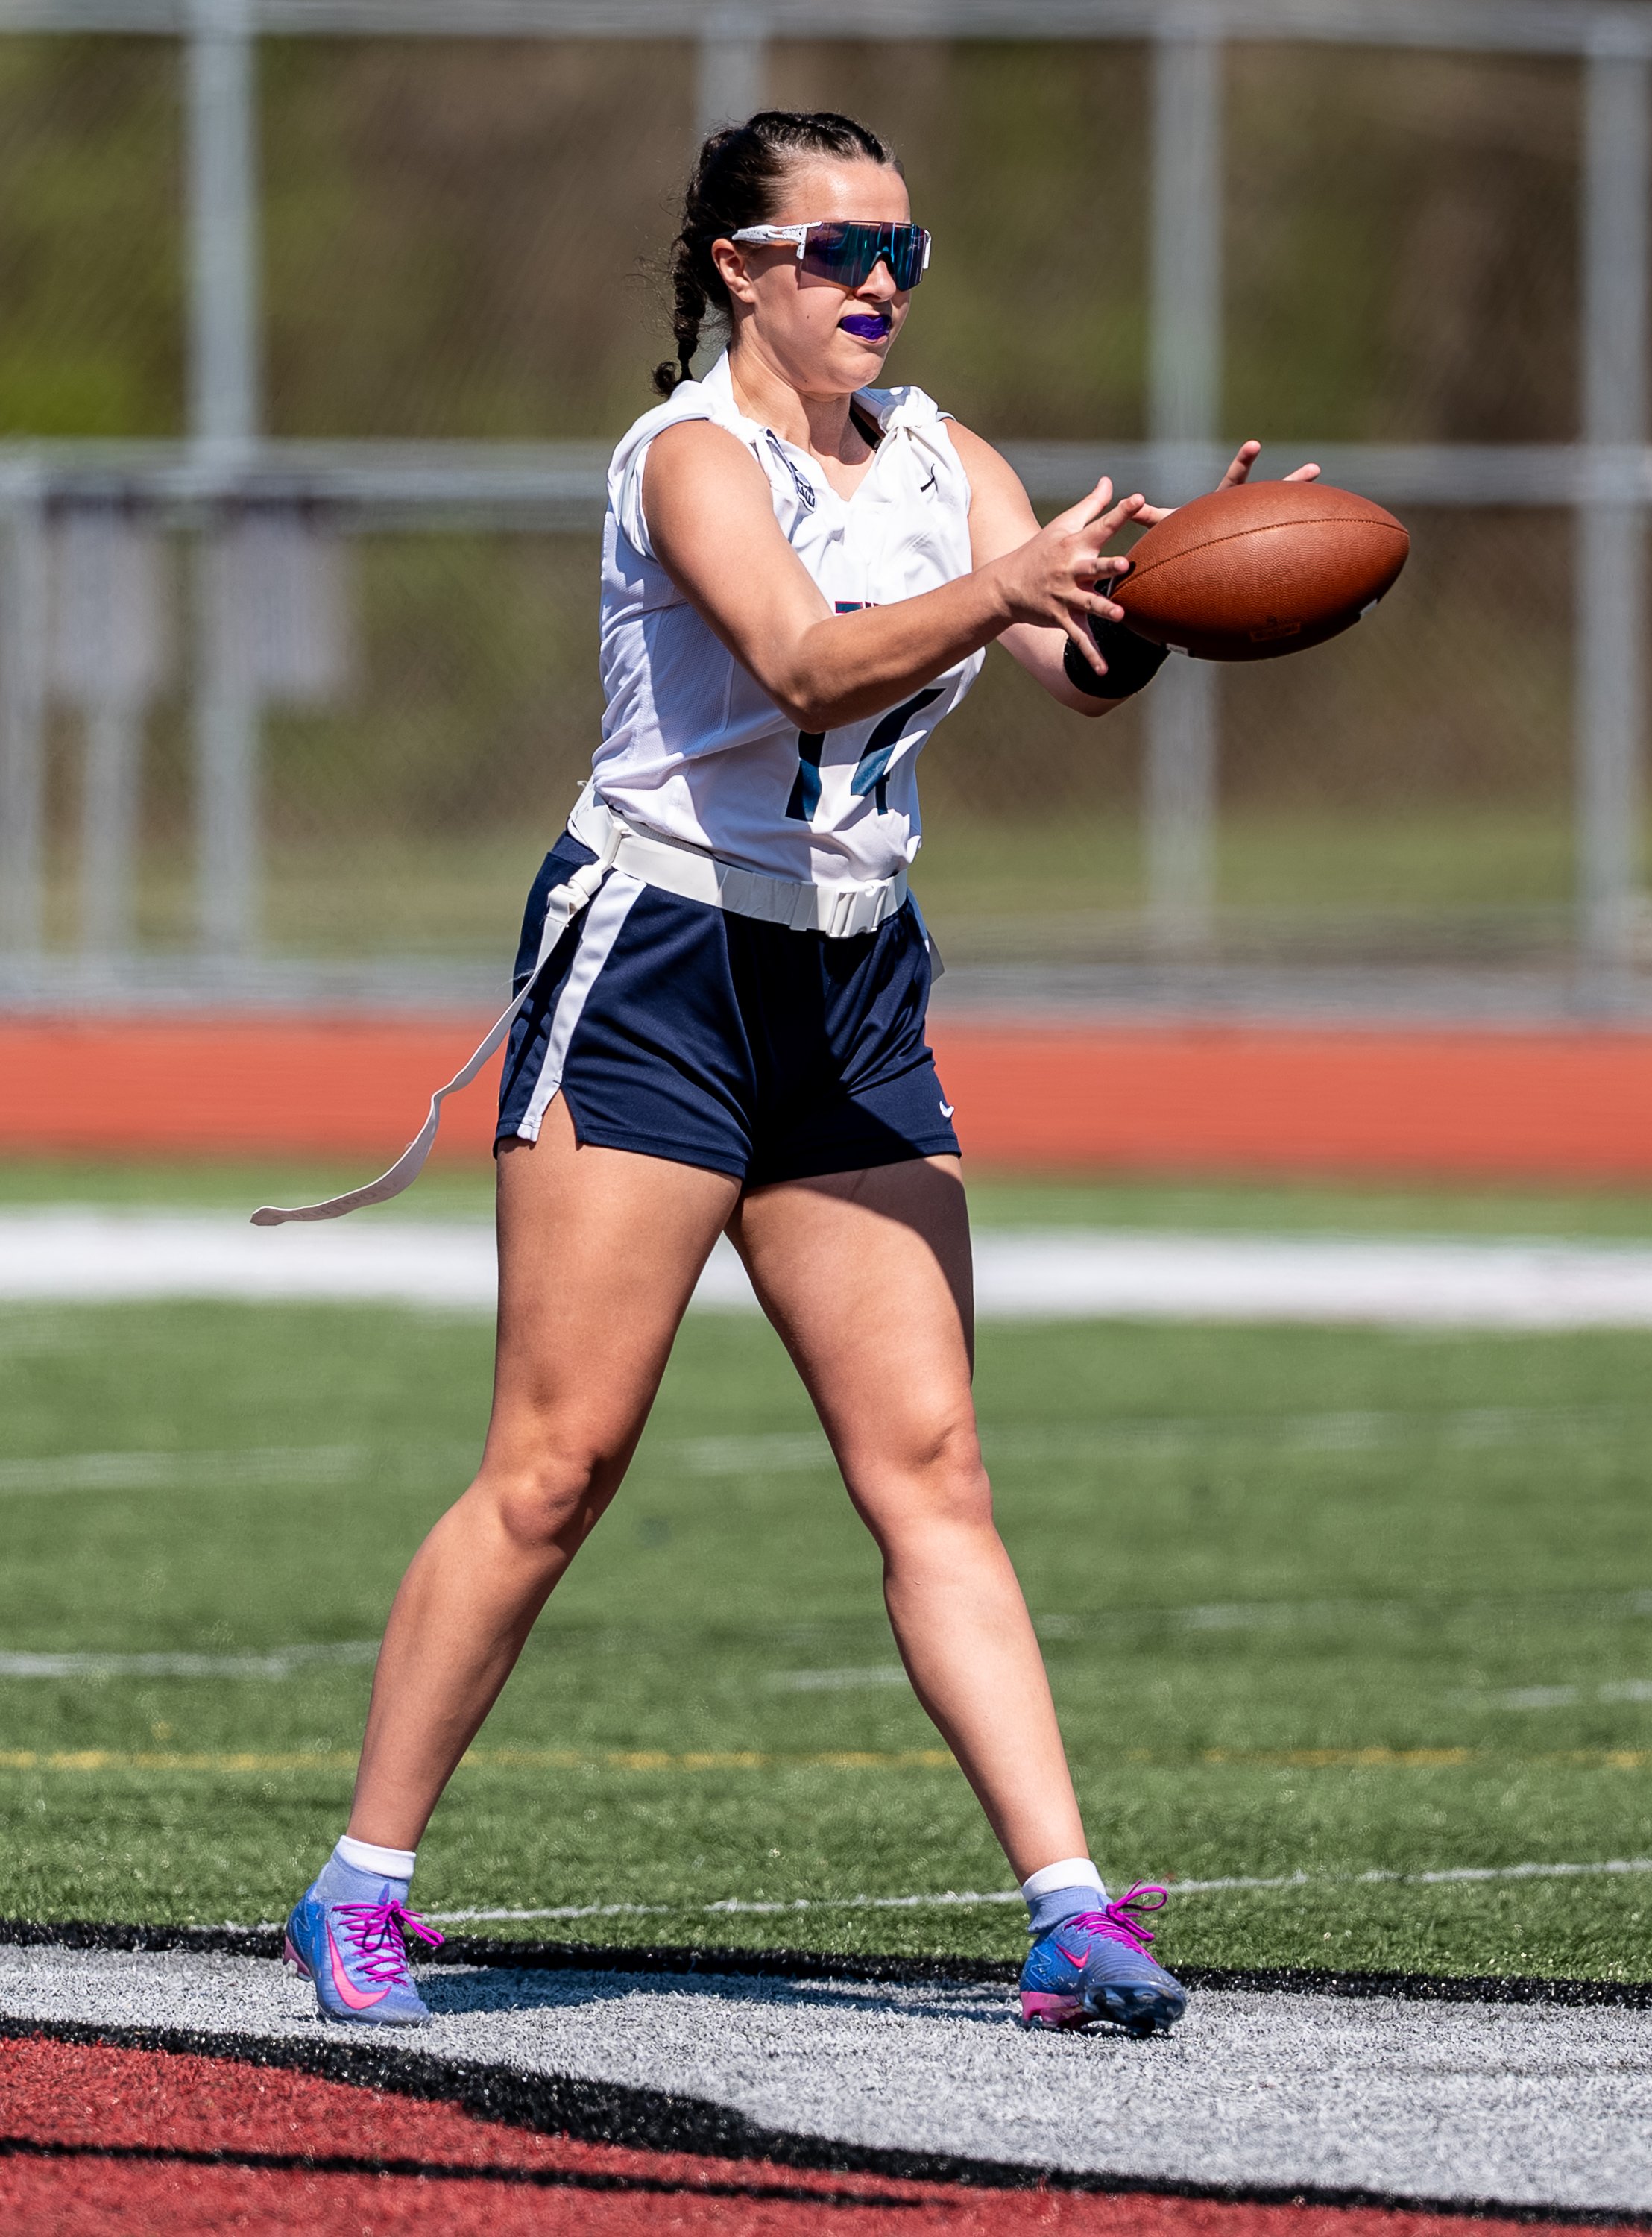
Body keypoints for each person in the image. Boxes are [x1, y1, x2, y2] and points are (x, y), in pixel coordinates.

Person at [281, 107, 1317, 2034]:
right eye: (839, 249)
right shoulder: (688, 456)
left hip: (847, 986)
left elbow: (1078, 663)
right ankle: (362, 1884)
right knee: (557, 1465)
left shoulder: (944, 458)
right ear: (741, 267)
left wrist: (1167, 590)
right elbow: (802, 664)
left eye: (903, 254)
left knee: (932, 1464)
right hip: (659, 968)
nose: (876, 287)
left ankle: (1071, 1912)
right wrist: (1009, 596)